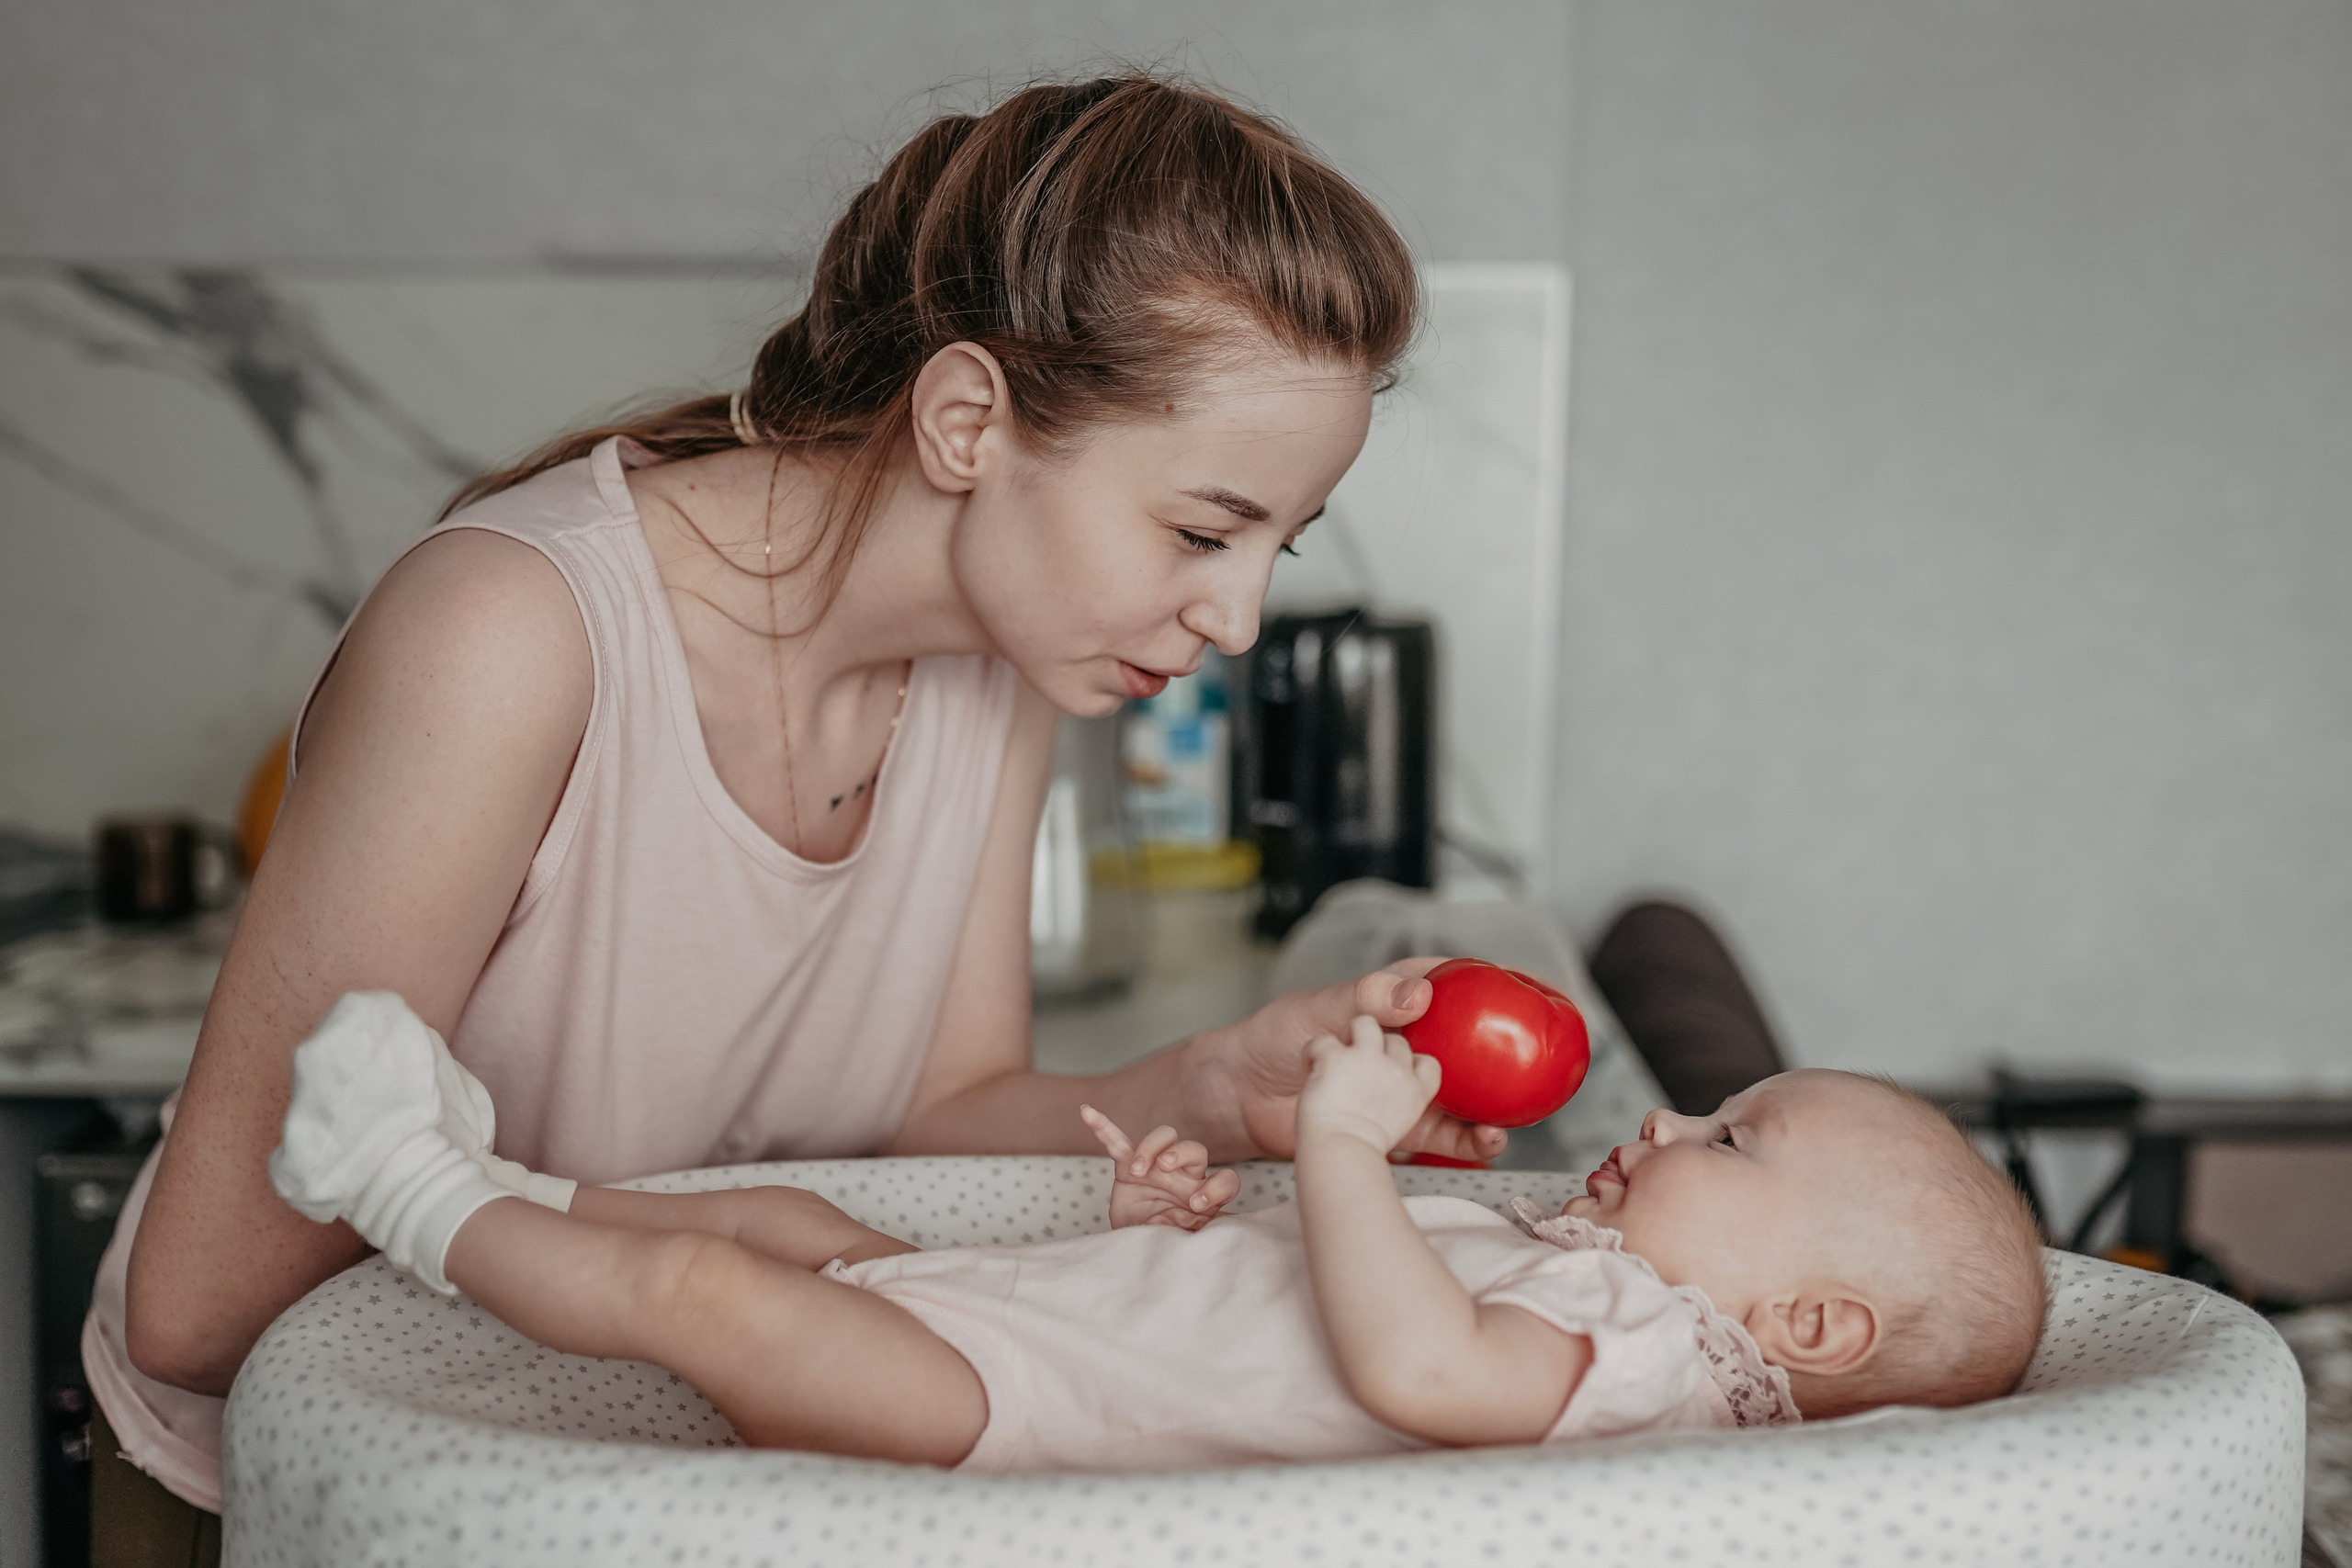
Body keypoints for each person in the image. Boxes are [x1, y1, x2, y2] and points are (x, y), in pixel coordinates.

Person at [85, 72, 1497, 1539]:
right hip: (325, 1490)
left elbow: (935, 1117)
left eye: (1277, 543)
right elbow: (205, 1306)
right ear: (968, 421)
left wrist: (1208, 1089)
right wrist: (737, 1266)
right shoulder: (508, 640)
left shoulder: (998, 668)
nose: (1242, 618)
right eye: (1205, 529)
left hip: (643, 1483)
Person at [268, 993, 2051, 1472]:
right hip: (1034, 1316)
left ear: (1803, 1329)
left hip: (1003, 1410)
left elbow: (1416, 1364)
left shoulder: (1657, 1366)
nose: (1664, 1121)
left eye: (1728, 1138)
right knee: (796, 1220)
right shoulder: (1599, 1282)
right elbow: (1303, 1299)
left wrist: (1344, 1152)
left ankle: (391, 1188)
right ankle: (496, 1170)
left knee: (704, 1288)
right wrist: (1168, 1225)